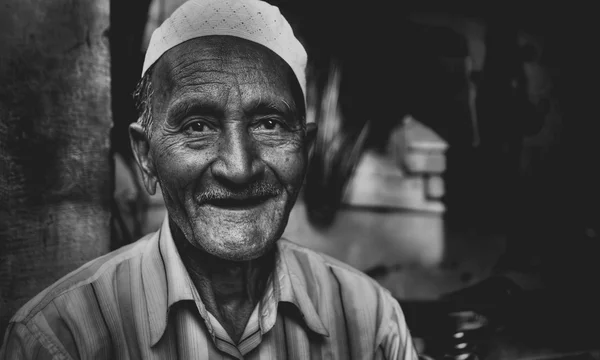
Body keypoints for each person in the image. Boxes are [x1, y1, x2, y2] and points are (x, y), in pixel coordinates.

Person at [0, 0, 418, 358]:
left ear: (304, 151)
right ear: (146, 157)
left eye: (269, 123)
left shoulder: (372, 323)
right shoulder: (59, 340)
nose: (238, 168)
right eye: (198, 126)